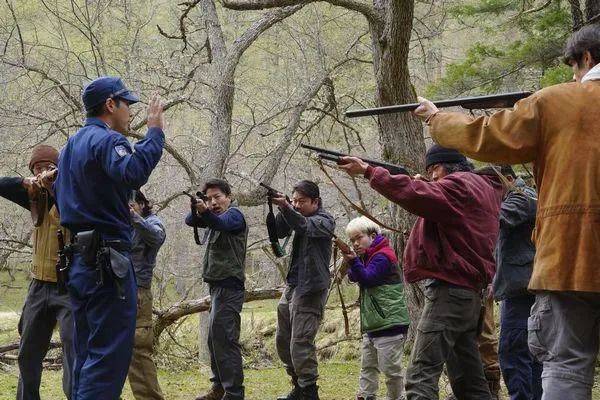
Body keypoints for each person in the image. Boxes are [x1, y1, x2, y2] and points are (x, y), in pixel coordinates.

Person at [413, 24, 600, 399]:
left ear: (586, 58)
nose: (572, 77)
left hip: (572, 255)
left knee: (566, 364)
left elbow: (487, 135)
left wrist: (437, 119)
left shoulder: (556, 101)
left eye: (574, 67)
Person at [338, 145, 502, 400]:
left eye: (434, 170)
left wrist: (369, 171)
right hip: (468, 296)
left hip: (449, 292)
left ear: (444, 167)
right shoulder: (481, 188)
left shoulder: (458, 186)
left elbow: (414, 193)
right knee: (469, 383)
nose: (433, 177)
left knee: (419, 377)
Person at [54, 76, 165, 399]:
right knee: (107, 358)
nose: (130, 111)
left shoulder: (69, 147)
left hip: (79, 261)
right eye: (126, 104)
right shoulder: (105, 141)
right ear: (110, 105)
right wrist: (155, 132)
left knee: (86, 355)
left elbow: (61, 200)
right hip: (107, 265)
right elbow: (132, 172)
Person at [0, 145, 74, 400]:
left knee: (73, 349)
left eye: (48, 167)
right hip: (38, 287)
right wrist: (25, 183)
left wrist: (55, 185)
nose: (43, 172)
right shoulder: (34, 196)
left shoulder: (73, 195)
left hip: (69, 286)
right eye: (37, 168)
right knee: (28, 353)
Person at [270, 180, 335, 400]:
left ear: (315, 201)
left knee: (301, 341)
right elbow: (279, 231)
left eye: (302, 201)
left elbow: (304, 226)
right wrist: (282, 207)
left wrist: (288, 208)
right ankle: (297, 385)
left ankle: (309, 391)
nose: (297, 205)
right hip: (293, 284)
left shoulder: (325, 221)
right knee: (283, 339)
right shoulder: (296, 214)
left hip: (311, 288)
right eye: (294, 200)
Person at [185, 179, 248, 400]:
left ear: (229, 196)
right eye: (209, 198)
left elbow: (221, 224)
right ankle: (219, 387)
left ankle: (233, 393)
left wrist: (206, 212)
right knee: (214, 339)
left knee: (226, 340)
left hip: (230, 286)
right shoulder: (214, 216)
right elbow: (188, 220)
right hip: (217, 287)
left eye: (217, 197)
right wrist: (197, 206)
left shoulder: (234, 215)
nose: (213, 202)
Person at [341, 216, 409, 400]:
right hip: (373, 324)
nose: (355, 243)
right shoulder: (366, 256)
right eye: (352, 240)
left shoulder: (383, 256)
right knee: (368, 366)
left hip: (389, 323)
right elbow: (354, 277)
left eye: (358, 238)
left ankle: (396, 397)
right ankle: (366, 395)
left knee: (391, 369)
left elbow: (369, 279)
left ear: (372, 235)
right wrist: (352, 261)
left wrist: (354, 262)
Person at [493, 166, 542, 400]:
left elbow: (494, 219)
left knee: (513, 352)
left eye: (494, 184)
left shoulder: (521, 197)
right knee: (530, 353)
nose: (490, 191)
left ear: (509, 179)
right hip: (521, 286)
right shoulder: (524, 196)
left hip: (521, 288)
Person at [127, 190, 167, 400]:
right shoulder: (115, 221)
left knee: (138, 349)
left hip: (138, 292)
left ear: (142, 204)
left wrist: (133, 217)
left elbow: (157, 237)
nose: (128, 206)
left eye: (132, 203)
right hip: (112, 291)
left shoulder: (153, 221)